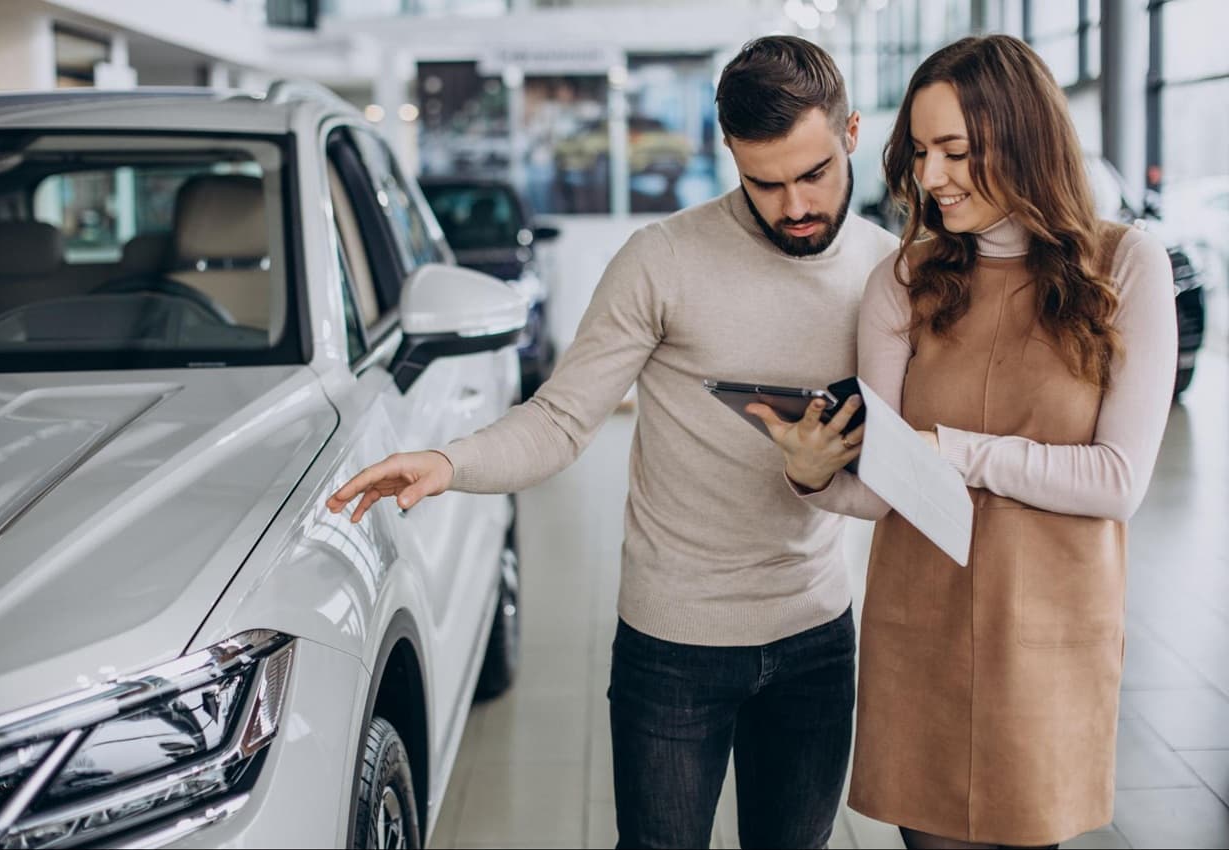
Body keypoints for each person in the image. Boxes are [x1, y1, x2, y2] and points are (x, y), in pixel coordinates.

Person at [328, 36, 898, 850]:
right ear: (730, 154)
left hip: (816, 635)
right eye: (763, 183)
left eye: (813, 175)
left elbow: (908, 452)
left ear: (850, 136)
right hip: (676, 646)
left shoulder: (889, 271)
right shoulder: (661, 260)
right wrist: (452, 461)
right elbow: (562, 418)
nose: (794, 205)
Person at [748, 35, 1176, 850]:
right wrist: (813, 480)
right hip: (923, 624)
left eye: (957, 151)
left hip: (1048, 633)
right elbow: (882, 485)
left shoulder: (1125, 267)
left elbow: (1118, 481)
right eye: (919, 151)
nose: (932, 178)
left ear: (1024, 139)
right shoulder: (903, 281)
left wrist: (956, 450)